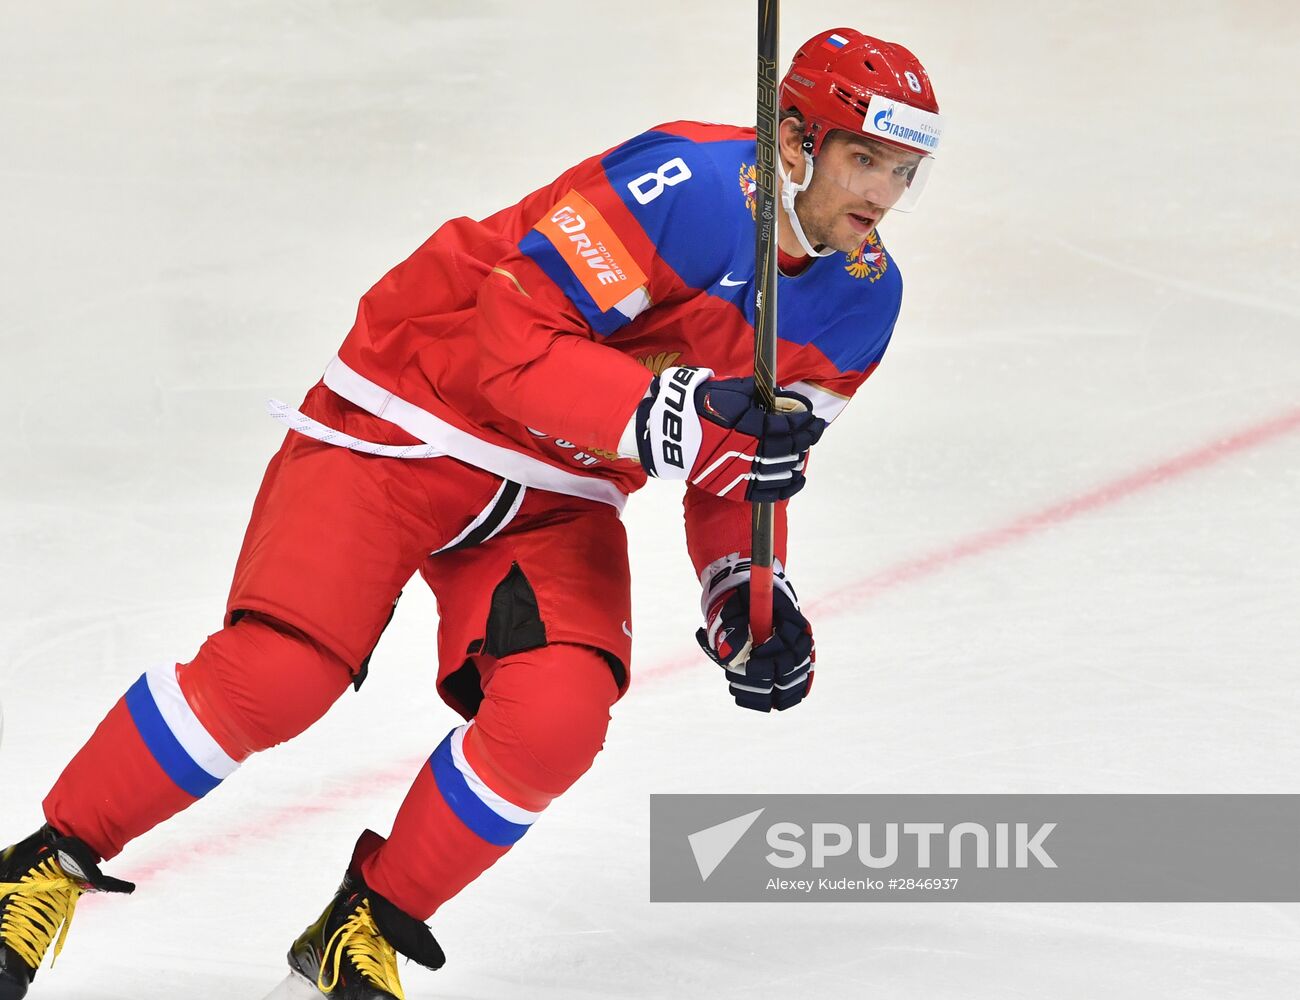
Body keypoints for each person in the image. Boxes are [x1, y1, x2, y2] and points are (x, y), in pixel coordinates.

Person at [0, 26, 943, 1000]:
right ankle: (41, 862)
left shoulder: (862, 305)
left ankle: (361, 926)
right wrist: (661, 414)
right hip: (409, 418)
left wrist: (744, 589)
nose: (880, 194)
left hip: (556, 495)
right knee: (280, 674)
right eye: (862, 159)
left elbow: (738, 464)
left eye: (902, 171)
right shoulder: (684, 186)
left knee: (556, 718)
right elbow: (512, 339)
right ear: (793, 143)